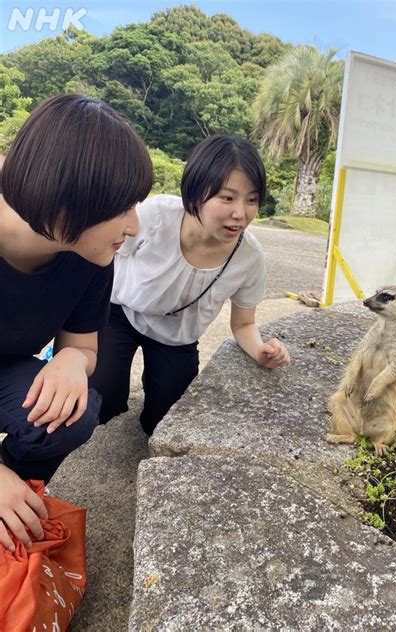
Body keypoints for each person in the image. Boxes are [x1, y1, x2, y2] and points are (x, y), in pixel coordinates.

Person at [0, 93, 153, 553]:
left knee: (75, 410)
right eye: (123, 207)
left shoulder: (90, 259)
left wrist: (70, 359)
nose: (135, 226)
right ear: (69, 201)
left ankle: (16, 495)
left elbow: (84, 347)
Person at [90, 134, 290, 436]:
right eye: (227, 197)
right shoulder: (155, 216)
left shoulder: (250, 257)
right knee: (100, 401)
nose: (241, 213)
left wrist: (261, 349)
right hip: (120, 314)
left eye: (251, 200)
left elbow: (244, 323)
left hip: (177, 337)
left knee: (165, 425)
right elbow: (105, 258)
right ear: (196, 192)